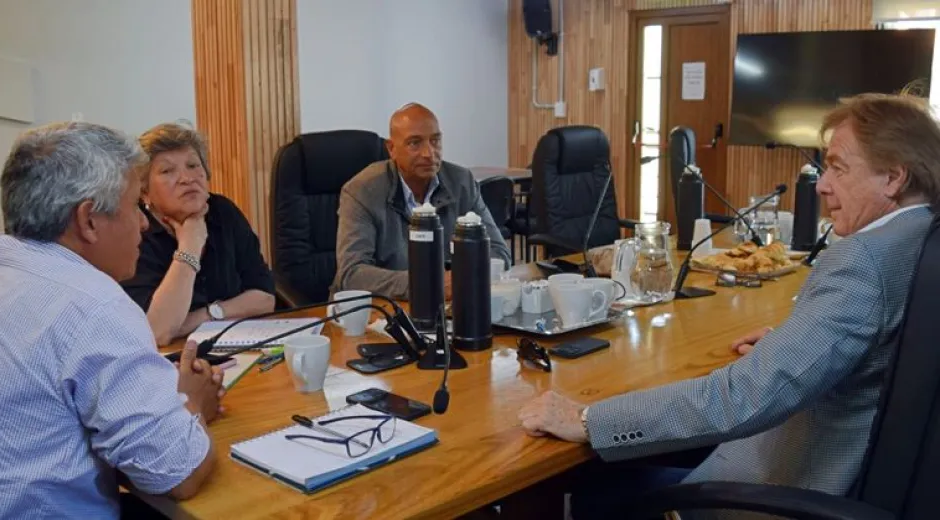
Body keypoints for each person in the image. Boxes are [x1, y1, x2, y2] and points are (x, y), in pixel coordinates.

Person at [518, 93, 940, 518]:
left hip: (775, 494)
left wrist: (589, 419)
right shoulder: (918, 238)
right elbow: (881, 346)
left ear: (893, 178)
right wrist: (796, 346)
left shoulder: (863, 259)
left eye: (838, 167)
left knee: (580, 485)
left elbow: (740, 398)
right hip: (854, 477)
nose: (824, 183)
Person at [0, 122, 224, 518]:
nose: (144, 224)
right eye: (134, 206)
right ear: (89, 220)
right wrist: (192, 401)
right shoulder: (90, 303)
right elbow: (177, 473)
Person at [333, 103, 512, 301]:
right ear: (391, 149)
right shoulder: (362, 191)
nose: (429, 153)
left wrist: (462, 279)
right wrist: (428, 285)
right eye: (414, 143)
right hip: (381, 311)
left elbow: (499, 253)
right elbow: (352, 274)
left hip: (450, 310)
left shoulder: (461, 182)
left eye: (435, 141)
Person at [121, 123, 276, 345]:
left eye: (193, 165)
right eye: (167, 171)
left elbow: (264, 297)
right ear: (144, 192)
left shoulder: (223, 212)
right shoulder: (134, 233)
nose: (187, 178)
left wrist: (207, 315)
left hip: (238, 348)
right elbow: (158, 331)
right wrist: (190, 245)